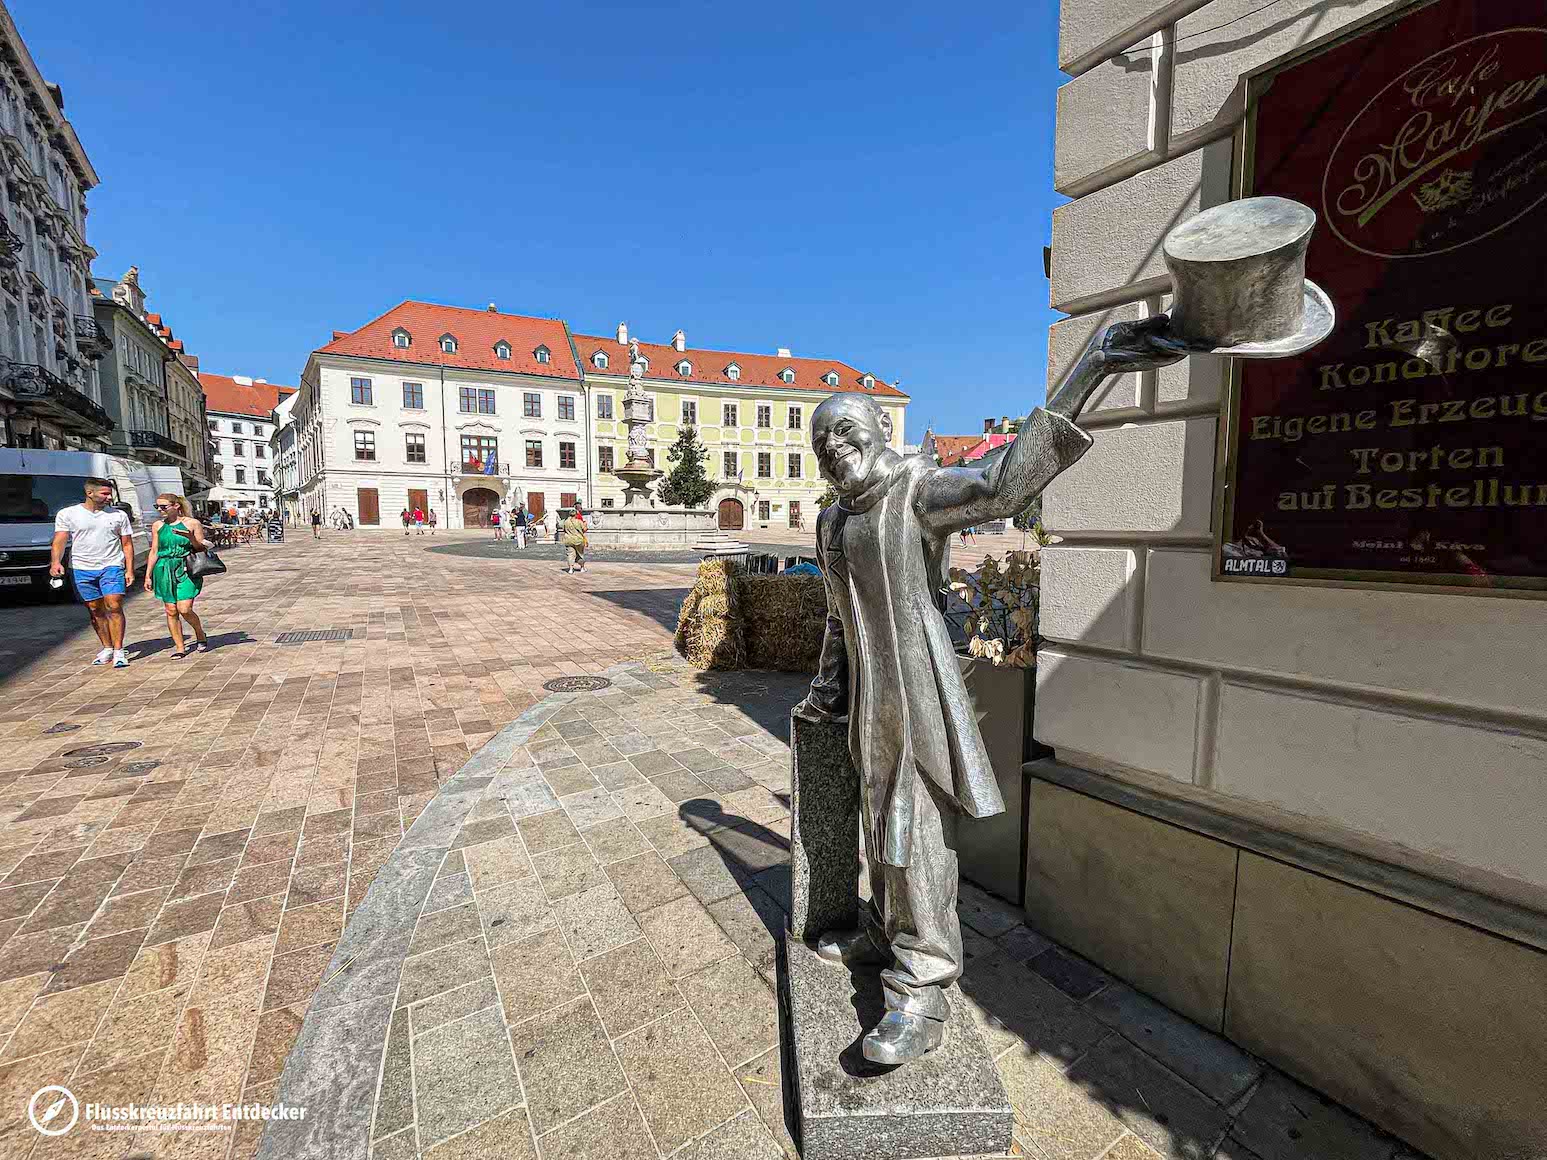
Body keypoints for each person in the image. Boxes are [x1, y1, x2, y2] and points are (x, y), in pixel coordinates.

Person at [795, 317, 1186, 1064]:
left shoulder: (917, 492)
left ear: (881, 430)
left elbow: (1004, 480)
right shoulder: (832, 518)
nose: (833, 448)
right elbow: (839, 619)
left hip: (917, 691)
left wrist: (1090, 368)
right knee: (881, 828)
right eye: (821, 442)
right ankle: (885, 931)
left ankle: (923, 988)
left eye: (845, 431)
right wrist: (825, 689)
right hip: (869, 701)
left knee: (915, 832)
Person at [49, 477, 136, 669]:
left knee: (114, 605)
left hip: (111, 565)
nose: (109, 497)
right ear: (90, 493)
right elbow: (60, 540)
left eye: (109, 493)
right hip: (82, 567)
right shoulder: (68, 514)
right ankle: (107, 647)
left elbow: (127, 544)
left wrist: (129, 569)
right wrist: (56, 562)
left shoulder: (118, 515)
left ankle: (119, 651)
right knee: (95, 609)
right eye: (105, 493)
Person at [144, 493, 210, 658]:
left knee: (184, 608)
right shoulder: (158, 526)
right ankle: (180, 647)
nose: (160, 510)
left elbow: (202, 548)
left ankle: (200, 633)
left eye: (163, 506)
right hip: (164, 569)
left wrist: (191, 538)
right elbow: (154, 551)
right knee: (171, 610)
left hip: (186, 567)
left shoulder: (192, 523)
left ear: (176, 506)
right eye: (157, 507)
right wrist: (148, 575)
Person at [561, 505, 587, 573]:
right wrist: (585, 525)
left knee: (570, 554)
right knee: (580, 554)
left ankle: (571, 569)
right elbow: (584, 529)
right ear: (575, 515)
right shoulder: (578, 521)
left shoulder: (566, 522)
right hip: (578, 540)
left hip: (569, 540)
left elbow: (564, 530)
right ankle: (582, 568)